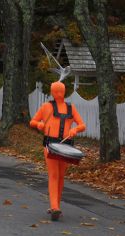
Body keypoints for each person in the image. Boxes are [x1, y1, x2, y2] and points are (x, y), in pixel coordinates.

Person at [30, 81, 86, 221]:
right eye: (56, 91)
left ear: (64, 91)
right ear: (52, 92)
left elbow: (82, 125)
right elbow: (33, 121)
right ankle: (55, 207)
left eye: (61, 91)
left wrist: (75, 129)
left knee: (61, 176)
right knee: (54, 175)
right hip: (50, 145)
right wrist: (40, 124)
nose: (59, 93)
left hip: (66, 146)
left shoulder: (70, 108)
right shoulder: (46, 106)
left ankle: (56, 206)